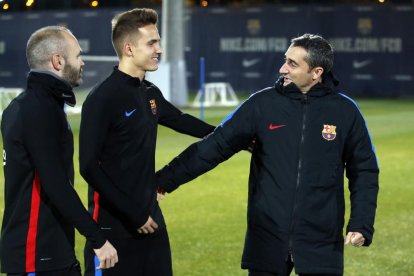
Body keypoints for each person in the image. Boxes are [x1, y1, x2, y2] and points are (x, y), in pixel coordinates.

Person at [156, 33, 379, 276]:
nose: (283, 68)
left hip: (321, 239)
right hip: (267, 236)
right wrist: (163, 181)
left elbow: (364, 170)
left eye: (293, 64)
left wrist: (361, 223)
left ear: (316, 73)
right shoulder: (261, 104)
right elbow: (213, 146)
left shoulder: (345, 111)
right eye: (285, 60)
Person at [79, 8, 215, 276]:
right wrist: (133, 214)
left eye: (159, 41)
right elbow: (89, 167)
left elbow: (183, 121)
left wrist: (234, 135)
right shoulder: (102, 98)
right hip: (113, 229)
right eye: (152, 43)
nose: (159, 49)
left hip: (151, 221)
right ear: (129, 48)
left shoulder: (149, 92)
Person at [0, 26, 118, 276]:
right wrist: (97, 239)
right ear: (58, 61)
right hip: (36, 255)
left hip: (50, 252)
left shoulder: (36, 106)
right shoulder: (37, 110)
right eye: (78, 55)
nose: (82, 62)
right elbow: (55, 184)